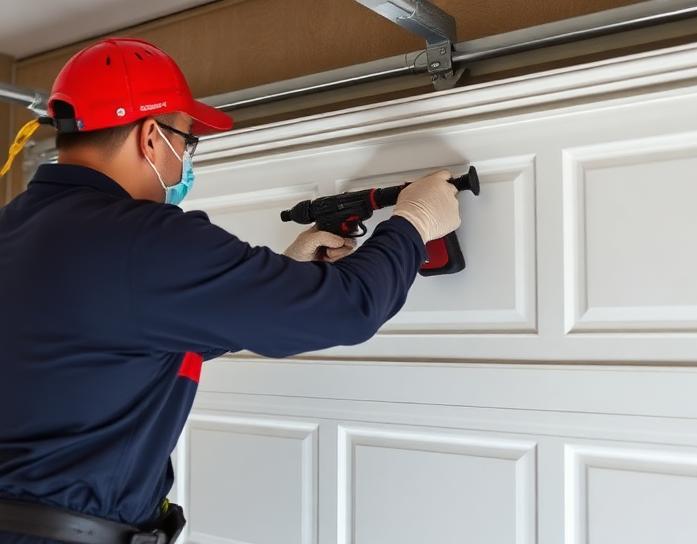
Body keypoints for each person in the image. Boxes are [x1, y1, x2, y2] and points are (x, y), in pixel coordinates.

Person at [0, 37, 460, 543]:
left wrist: (284, 274)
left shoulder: (14, 228)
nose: (184, 161)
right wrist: (413, 224)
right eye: (185, 141)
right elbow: (347, 310)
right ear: (151, 138)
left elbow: (116, 342)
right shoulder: (145, 238)